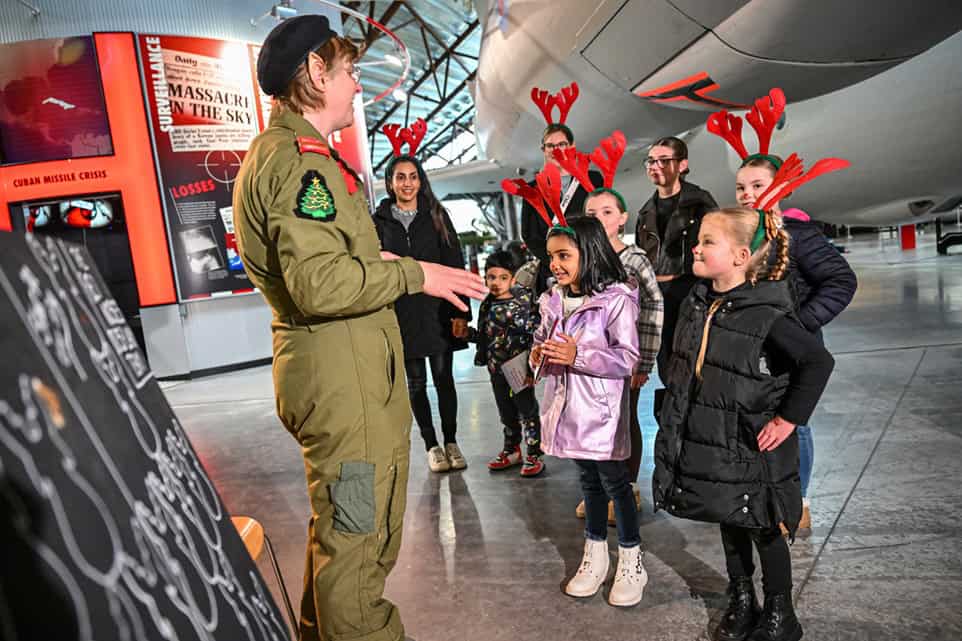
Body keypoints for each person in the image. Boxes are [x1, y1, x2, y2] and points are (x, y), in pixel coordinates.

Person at [232, 16, 485, 641]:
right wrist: (412, 276)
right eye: (347, 72)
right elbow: (321, 286)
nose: (356, 86)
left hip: (344, 381)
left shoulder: (292, 157)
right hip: (346, 391)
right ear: (317, 74)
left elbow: (331, 265)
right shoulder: (303, 167)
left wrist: (386, 263)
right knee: (357, 547)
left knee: (341, 537)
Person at [653, 207, 835, 641]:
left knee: (763, 526)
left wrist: (789, 419)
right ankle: (741, 596)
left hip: (751, 443)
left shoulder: (765, 312)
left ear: (739, 256)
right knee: (728, 517)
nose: (695, 247)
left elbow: (816, 361)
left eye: (707, 242)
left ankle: (780, 610)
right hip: (713, 437)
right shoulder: (699, 301)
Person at [735, 157, 857, 532]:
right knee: (758, 425)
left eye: (757, 185)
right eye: (741, 187)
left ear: (780, 189)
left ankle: (797, 502)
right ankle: (761, 495)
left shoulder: (799, 235)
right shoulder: (739, 235)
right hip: (750, 355)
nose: (747, 194)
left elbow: (841, 281)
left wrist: (799, 324)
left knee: (794, 424)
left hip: (792, 353)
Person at [531, 216, 646, 607]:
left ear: (589, 252)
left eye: (564, 255)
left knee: (616, 483)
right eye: (551, 257)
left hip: (601, 414)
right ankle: (595, 554)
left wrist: (578, 355)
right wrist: (539, 355)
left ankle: (631, 558)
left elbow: (627, 359)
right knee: (588, 483)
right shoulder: (553, 299)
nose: (555, 265)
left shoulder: (616, 299)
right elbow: (543, 340)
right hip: (567, 410)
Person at [374, 154, 471, 474]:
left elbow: (455, 262)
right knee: (415, 383)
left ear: (421, 180)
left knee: (444, 379)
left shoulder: (436, 215)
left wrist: (462, 312)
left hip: (438, 310)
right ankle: (432, 446)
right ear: (390, 182)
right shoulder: (379, 222)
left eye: (413, 176)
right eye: (400, 177)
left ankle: (452, 441)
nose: (407, 183)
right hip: (402, 312)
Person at [578, 188, 663, 522]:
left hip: (623, 361)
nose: (599, 219)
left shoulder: (634, 260)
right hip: (587, 361)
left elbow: (653, 307)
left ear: (623, 218)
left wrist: (643, 361)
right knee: (592, 424)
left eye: (607, 212)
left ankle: (625, 487)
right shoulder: (580, 257)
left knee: (623, 422)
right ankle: (597, 491)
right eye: (591, 214)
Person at [633, 136, 717, 415]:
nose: (655, 166)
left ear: (682, 165)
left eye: (663, 160)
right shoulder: (646, 211)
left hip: (692, 293)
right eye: (651, 161)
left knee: (697, 366)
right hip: (658, 299)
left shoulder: (700, 203)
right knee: (668, 368)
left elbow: (716, 251)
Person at [453, 249, 544, 476]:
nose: (495, 283)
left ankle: (534, 453)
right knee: (506, 412)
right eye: (491, 277)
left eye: (502, 277)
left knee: (527, 410)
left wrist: (534, 365)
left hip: (520, 369)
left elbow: (537, 333)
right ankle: (512, 450)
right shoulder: (486, 305)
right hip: (497, 370)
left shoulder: (525, 301)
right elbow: (485, 336)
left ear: (513, 278)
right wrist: (467, 335)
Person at [519, 84, 603, 295]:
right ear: (543, 150)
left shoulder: (592, 179)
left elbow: (599, 222)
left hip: (588, 267)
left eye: (562, 144)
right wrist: (556, 260)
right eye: (550, 145)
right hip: (551, 270)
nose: (557, 150)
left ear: (571, 147)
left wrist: (580, 258)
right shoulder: (532, 189)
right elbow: (529, 235)